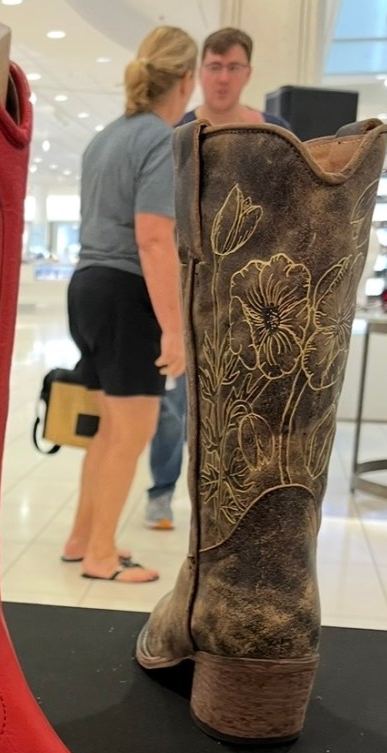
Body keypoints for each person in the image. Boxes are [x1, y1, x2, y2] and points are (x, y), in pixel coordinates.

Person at [61, 26, 195, 583]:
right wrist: (173, 328)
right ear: (186, 81)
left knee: (106, 430)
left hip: (87, 286)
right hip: (126, 295)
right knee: (133, 430)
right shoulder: (161, 139)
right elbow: (154, 237)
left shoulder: (106, 137)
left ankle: (80, 540)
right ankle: (100, 555)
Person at [143, 26, 290, 530]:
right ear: (199, 72)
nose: (222, 78)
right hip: (190, 285)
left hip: (254, 293)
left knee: (245, 400)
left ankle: (233, 501)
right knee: (176, 400)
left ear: (247, 73)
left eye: (233, 67)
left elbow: (288, 206)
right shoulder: (178, 130)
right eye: (214, 66)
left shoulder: (273, 129)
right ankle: (161, 491)